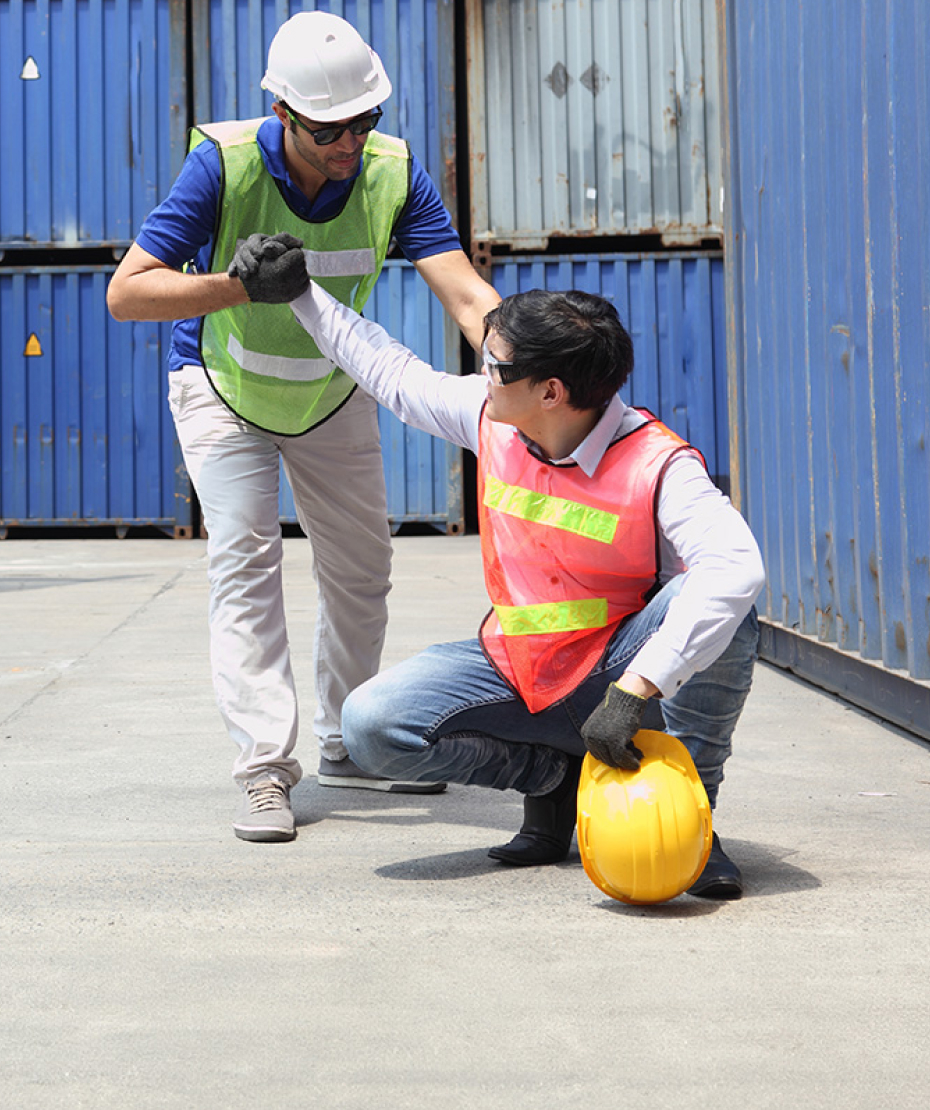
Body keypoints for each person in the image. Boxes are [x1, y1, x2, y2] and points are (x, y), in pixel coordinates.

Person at [106, 11, 501, 844]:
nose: (350, 142)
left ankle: (352, 743)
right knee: (245, 565)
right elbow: (127, 293)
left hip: (331, 390)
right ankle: (261, 770)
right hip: (223, 385)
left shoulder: (394, 174)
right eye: (329, 129)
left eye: (365, 121)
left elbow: (465, 294)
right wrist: (238, 286)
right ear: (283, 114)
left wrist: (533, 366)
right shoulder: (223, 163)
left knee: (363, 569)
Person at [283, 274, 765, 898]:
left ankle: (689, 807)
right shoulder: (495, 420)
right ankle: (549, 776)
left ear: (551, 391)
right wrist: (299, 293)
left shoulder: (659, 466)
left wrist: (635, 690)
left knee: (728, 605)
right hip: (522, 665)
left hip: (619, 670)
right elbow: (392, 374)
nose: (482, 374)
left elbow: (738, 566)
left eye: (494, 364)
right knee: (371, 726)